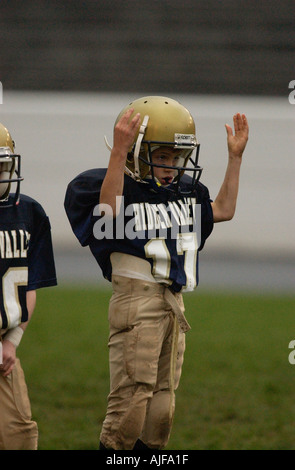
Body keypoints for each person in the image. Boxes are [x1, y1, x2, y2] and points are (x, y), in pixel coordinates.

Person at [64, 96, 249, 450]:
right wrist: (117, 154)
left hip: (172, 305)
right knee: (132, 400)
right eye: (161, 156)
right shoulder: (111, 186)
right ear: (135, 150)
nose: (171, 166)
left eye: (176, 157)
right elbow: (106, 212)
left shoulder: (185, 192)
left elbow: (223, 209)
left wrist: (235, 158)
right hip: (137, 302)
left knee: (162, 405)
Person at [0, 122, 57, 450]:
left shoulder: (29, 212)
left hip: (4, 348)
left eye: (2, 166)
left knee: (19, 436)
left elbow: (27, 287)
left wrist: (12, 341)